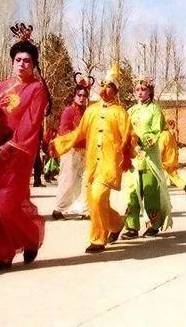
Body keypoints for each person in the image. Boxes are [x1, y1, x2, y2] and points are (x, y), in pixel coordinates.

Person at [0, 23, 50, 272]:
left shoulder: (37, 88)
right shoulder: (1, 86)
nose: (22, 64)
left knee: (6, 204)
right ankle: (1, 254)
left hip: (19, 154)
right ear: (12, 62)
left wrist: (13, 147)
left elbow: (32, 123)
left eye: (27, 60)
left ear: (33, 64)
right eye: (18, 59)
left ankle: (31, 235)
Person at [53, 66, 134, 253]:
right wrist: (58, 144)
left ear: (116, 91)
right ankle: (117, 223)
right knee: (96, 202)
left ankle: (98, 239)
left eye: (109, 86)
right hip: (92, 164)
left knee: (97, 197)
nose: (104, 89)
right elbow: (78, 134)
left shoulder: (120, 112)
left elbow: (129, 135)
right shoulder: (91, 111)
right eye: (103, 85)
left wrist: (129, 149)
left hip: (109, 165)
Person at [125, 77, 172, 237]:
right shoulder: (130, 111)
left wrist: (142, 141)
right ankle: (131, 226)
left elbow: (156, 132)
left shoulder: (155, 110)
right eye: (137, 90)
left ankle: (154, 224)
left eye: (143, 89)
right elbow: (124, 129)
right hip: (132, 157)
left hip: (149, 157)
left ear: (150, 91)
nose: (140, 92)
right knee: (132, 190)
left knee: (149, 190)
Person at [51, 75, 91, 219]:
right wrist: (78, 135)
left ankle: (83, 209)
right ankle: (59, 208)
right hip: (71, 150)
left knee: (84, 180)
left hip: (85, 151)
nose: (81, 98)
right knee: (68, 180)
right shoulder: (68, 111)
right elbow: (63, 130)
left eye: (84, 96)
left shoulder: (88, 112)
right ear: (74, 96)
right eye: (79, 95)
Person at [159, 115, 186, 195]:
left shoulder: (163, 135)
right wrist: (181, 144)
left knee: (158, 174)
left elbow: (161, 149)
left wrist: (158, 158)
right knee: (174, 175)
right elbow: (175, 143)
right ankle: (184, 186)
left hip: (165, 161)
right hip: (173, 158)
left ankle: (158, 190)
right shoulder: (170, 134)